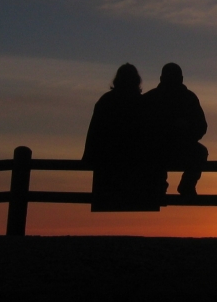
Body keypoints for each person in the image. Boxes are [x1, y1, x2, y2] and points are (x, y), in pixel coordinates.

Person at [82, 63, 161, 205]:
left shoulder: (106, 101)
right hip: (136, 165)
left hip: (109, 163)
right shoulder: (142, 104)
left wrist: (88, 156)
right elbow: (152, 136)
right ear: (137, 80)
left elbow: (94, 132)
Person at [141, 63, 208, 196]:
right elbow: (201, 126)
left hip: (164, 148)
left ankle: (171, 186)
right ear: (182, 79)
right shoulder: (188, 98)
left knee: (200, 152)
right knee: (200, 152)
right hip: (163, 148)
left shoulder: (150, 98)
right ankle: (184, 186)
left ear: (161, 78)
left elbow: (201, 126)